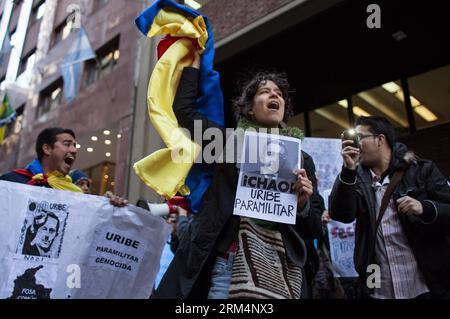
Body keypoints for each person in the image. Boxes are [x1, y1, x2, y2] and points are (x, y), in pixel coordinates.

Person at [155, 52, 323, 299]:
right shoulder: (228, 144)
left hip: (281, 269)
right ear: (250, 109)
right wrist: (193, 66)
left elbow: (314, 229)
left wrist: (303, 206)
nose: (275, 95)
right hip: (229, 265)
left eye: (279, 93)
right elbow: (184, 113)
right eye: (265, 92)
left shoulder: (302, 159)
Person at [329, 116, 450, 299]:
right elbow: (340, 214)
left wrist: (425, 208)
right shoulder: (355, 179)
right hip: (378, 286)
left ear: (380, 139)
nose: (355, 144)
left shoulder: (421, 170)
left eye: (360, 138)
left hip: (424, 285)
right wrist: (348, 169)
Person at [0, 127, 127, 206]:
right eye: (67, 144)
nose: (74, 150)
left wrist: (106, 206)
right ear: (47, 149)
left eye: (75, 146)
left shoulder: (75, 194)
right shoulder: (11, 182)